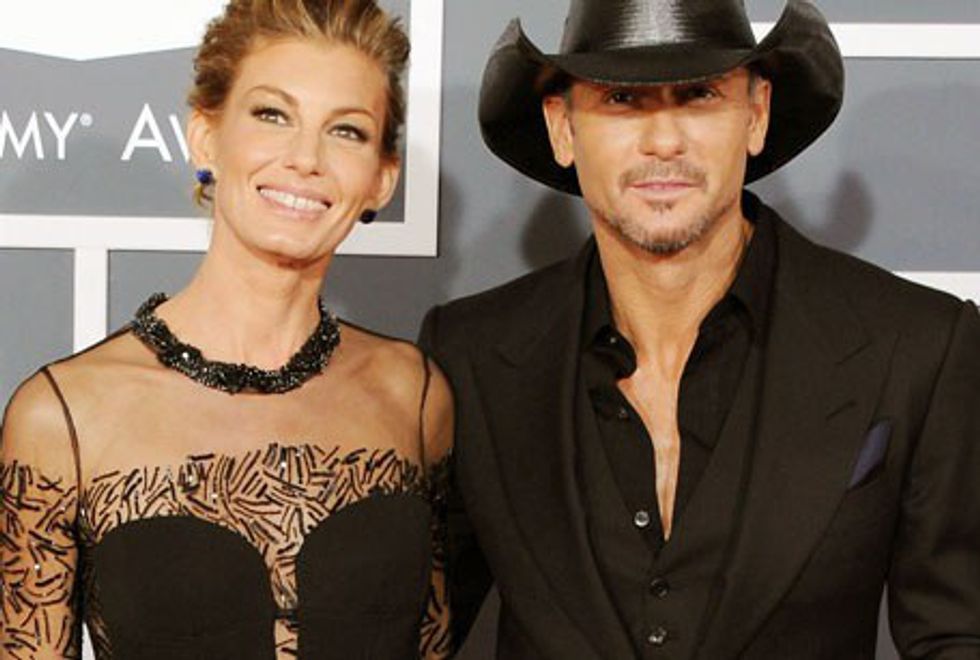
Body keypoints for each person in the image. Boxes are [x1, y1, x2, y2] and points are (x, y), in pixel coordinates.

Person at [420, 1, 980, 658]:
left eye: (699, 95)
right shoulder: (471, 357)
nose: (664, 141)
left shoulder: (915, 346)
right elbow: (401, 626)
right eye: (622, 99)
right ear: (562, 128)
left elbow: (958, 637)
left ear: (756, 113)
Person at [0, 1, 451, 658]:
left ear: (382, 178)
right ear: (206, 137)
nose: (306, 159)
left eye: (347, 131)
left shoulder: (412, 395)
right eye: (272, 115)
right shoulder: (63, 417)